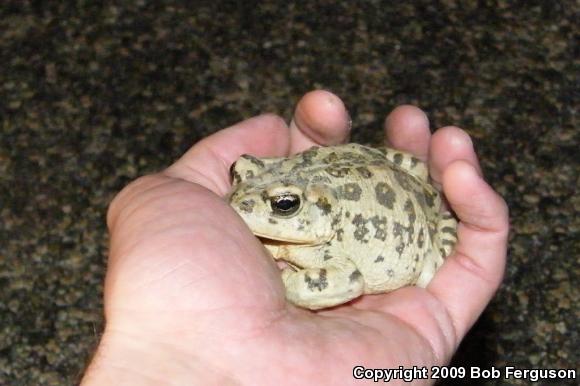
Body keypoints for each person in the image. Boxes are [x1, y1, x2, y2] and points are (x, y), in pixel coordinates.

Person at [81, 90, 509, 385]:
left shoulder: (329, 242)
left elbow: (348, 280)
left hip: (414, 223)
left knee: (435, 261)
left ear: (313, 212)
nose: (241, 201)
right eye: (239, 177)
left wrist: (285, 285)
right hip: (356, 173)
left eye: (284, 206)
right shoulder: (264, 195)